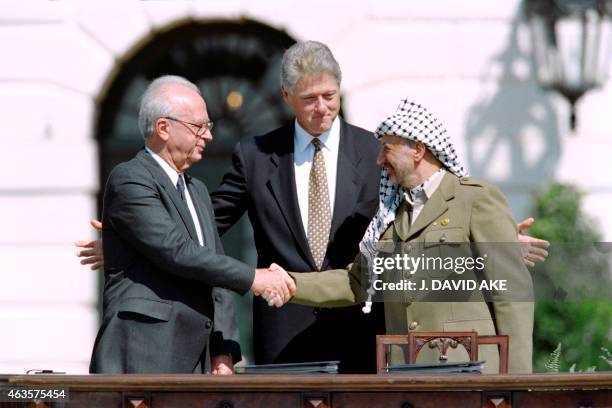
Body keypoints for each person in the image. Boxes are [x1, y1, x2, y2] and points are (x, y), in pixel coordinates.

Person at [77, 42, 548, 373]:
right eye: (309, 99)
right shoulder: (256, 154)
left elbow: (423, 221)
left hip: (372, 336)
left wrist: (494, 241)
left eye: (330, 96)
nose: (322, 108)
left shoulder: (375, 151)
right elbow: (204, 226)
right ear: (286, 98)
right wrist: (132, 238)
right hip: (285, 336)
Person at [271, 99, 536, 373]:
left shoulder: (474, 199)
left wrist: (516, 384)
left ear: (418, 150)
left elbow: (511, 294)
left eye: (386, 149)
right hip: (404, 375)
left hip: (468, 373)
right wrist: (290, 283)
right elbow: (356, 282)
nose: (379, 160)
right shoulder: (389, 215)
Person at [89, 75, 294, 374]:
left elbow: (214, 266)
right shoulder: (130, 178)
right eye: (199, 127)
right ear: (163, 128)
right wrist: (254, 278)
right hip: (143, 354)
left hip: (195, 360)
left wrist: (225, 350)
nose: (209, 136)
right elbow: (177, 251)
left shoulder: (196, 189)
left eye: (208, 127)